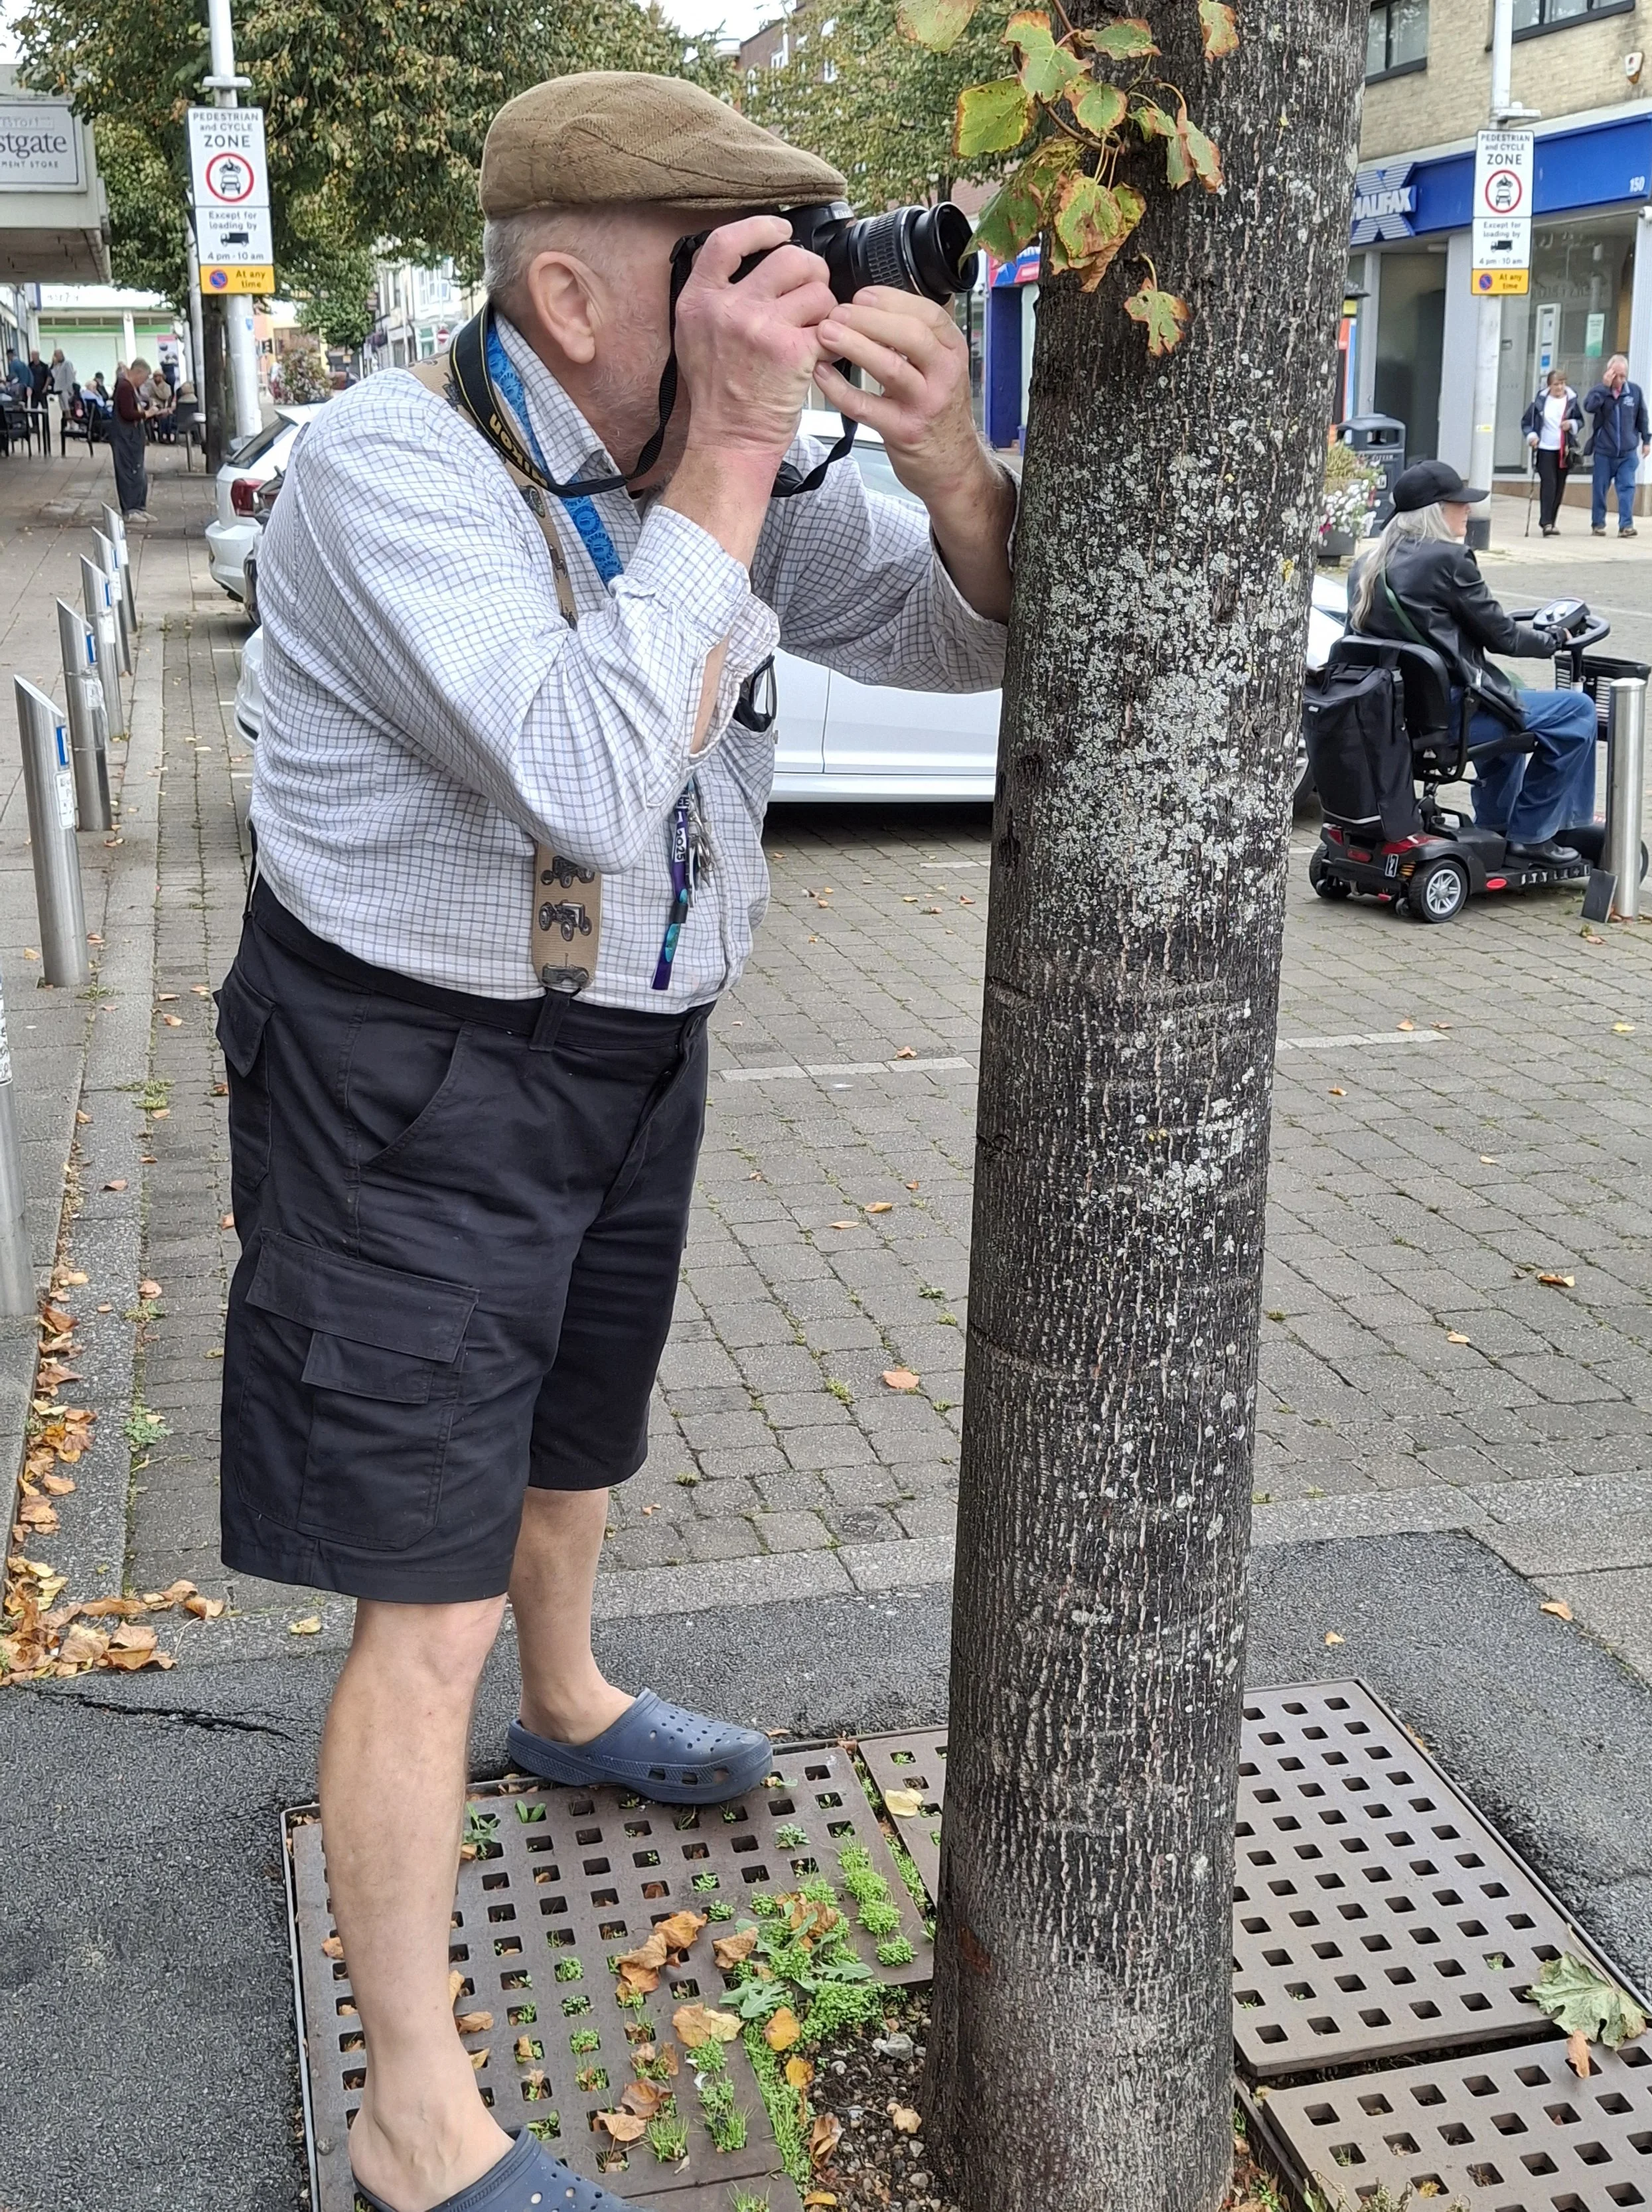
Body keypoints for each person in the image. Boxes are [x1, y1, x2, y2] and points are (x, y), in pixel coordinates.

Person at [222, 70, 1012, 2212]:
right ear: (572, 291)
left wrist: (938, 447)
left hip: (628, 1051)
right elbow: (584, 774)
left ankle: (572, 1703)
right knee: (425, 1600)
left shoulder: (699, 450)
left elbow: (978, 626)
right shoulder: (390, 474)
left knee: (579, 1436)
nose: (780, 307)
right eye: (729, 271)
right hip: (408, 1073)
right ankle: (413, 2115)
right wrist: (750, 450)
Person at [1349, 459, 1596, 864]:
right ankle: (1534, 833)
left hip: (1398, 719)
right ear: (1435, 511)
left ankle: (1497, 828)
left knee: (1515, 706)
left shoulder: (1366, 566)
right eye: (1458, 503)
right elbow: (1504, 636)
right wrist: (1554, 639)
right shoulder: (1449, 559)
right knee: (1576, 713)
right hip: (1450, 718)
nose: (1468, 510)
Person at [1582, 353, 1651, 538]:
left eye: (1623, 376)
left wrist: (1646, 440)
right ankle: (1598, 523)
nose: (1620, 380)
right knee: (1600, 487)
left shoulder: (1634, 392)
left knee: (1627, 486)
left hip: (1627, 452)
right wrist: (1605, 388)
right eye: (1616, 376)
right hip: (1604, 451)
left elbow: (1642, 417)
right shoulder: (1600, 391)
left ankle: (1626, 525)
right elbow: (1589, 407)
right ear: (1608, 373)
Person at [1521, 368, 1583, 536]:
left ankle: (1552, 521)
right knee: (1549, 484)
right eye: (1556, 384)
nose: (1560, 387)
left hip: (1564, 449)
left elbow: (1580, 420)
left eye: (1562, 383)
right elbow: (1527, 422)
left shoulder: (1571, 400)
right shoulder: (1540, 401)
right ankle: (1546, 522)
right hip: (1545, 448)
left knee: (1560, 486)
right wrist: (1532, 437)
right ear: (1549, 385)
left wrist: (1571, 424)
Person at [108, 360, 151, 518]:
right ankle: (131, 509)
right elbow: (127, 413)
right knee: (129, 472)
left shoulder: (128, 387)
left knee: (138, 472)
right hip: (125, 437)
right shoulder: (125, 387)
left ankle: (139, 507)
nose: (144, 382)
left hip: (131, 437)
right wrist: (146, 414)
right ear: (138, 373)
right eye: (145, 378)